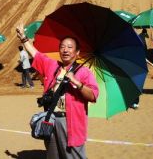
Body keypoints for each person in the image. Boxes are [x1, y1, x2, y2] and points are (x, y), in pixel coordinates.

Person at [16, 24, 99, 159]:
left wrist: (77, 83)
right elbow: (36, 54)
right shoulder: (53, 66)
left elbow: (93, 95)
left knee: (73, 155)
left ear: (77, 52)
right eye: (62, 47)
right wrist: (24, 38)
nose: (65, 50)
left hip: (70, 122)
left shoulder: (84, 72)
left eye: (70, 47)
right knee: (53, 155)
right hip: (51, 118)